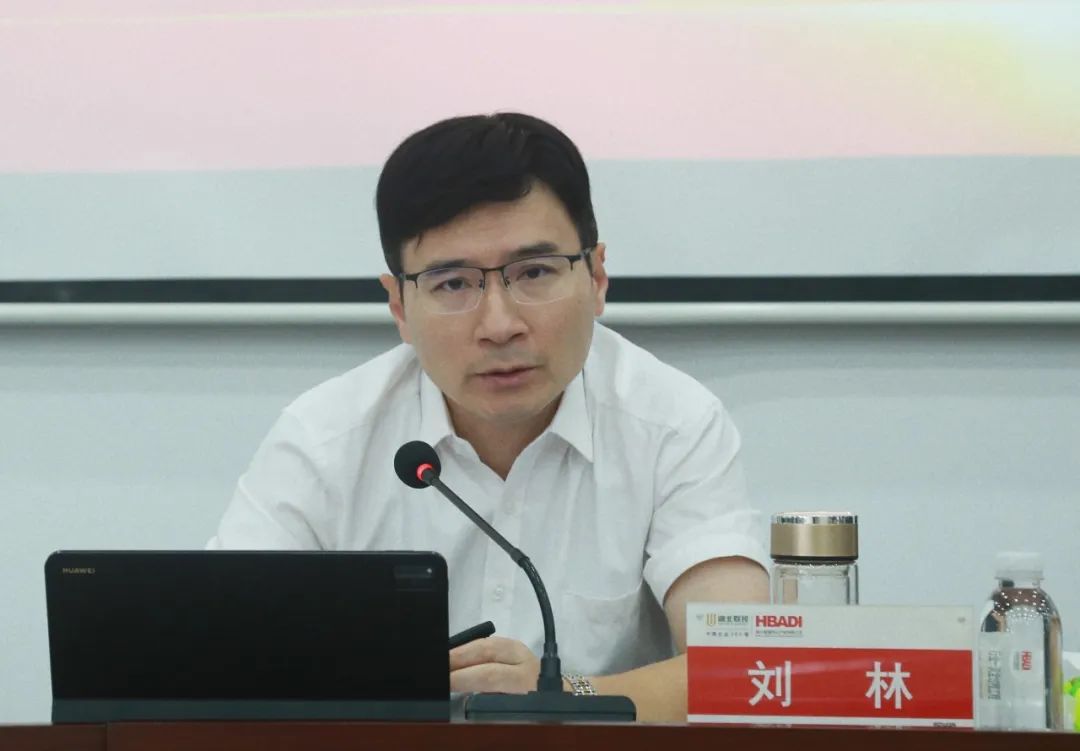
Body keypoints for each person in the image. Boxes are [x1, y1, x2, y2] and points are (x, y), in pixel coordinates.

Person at [208, 112, 768, 722]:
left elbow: (746, 670)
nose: (500, 325)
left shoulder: (674, 426)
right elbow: (218, 654)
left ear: (597, 276)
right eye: (453, 284)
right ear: (399, 305)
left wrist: (563, 697)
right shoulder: (324, 440)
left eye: (535, 273)